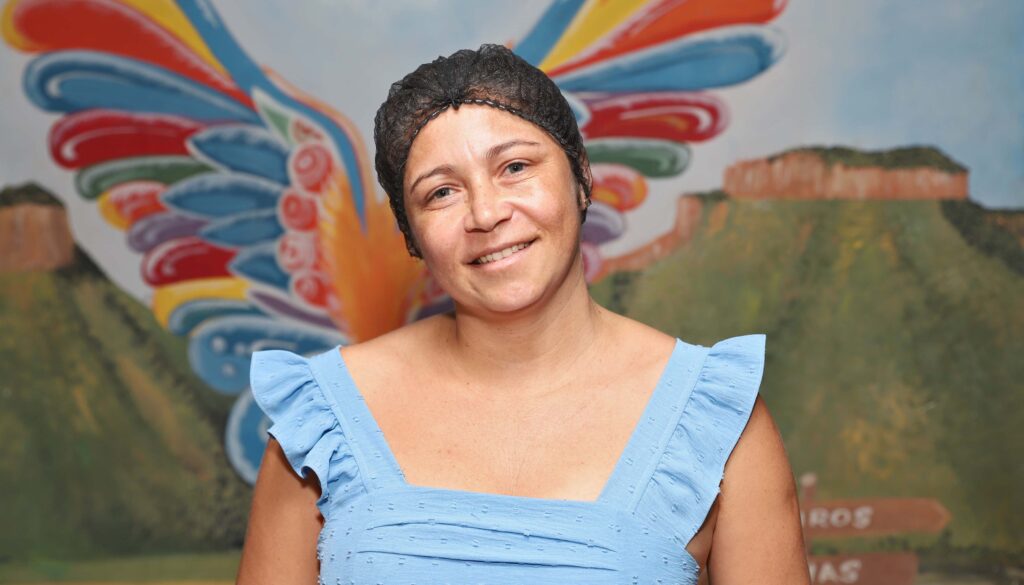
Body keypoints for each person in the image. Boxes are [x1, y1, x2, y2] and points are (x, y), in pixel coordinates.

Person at [237, 44, 809, 585]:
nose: (486, 214)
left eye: (514, 166)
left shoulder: (714, 418)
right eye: (441, 193)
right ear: (411, 234)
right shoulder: (322, 419)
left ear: (581, 176)